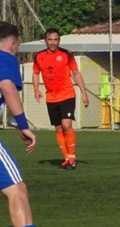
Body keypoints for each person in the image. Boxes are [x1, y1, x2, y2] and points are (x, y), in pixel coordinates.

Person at [0, 22, 56, 227]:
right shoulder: (5, 57)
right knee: (17, 189)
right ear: (13, 44)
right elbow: (6, 86)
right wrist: (22, 125)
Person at [32, 28, 89, 169]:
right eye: (50, 39)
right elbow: (35, 73)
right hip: (51, 98)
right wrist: (36, 89)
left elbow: (76, 73)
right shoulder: (39, 56)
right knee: (58, 128)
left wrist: (84, 93)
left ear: (59, 40)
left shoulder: (66, 54)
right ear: (45, 41)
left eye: (55, 39)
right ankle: (67, 158)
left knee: (66, 125)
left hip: (67, 95)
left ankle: (72, 157)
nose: (53, 42)